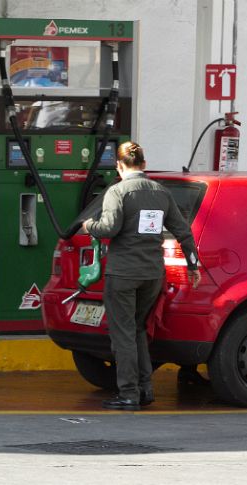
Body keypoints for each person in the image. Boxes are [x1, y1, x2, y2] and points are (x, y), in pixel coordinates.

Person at [83, 141, 201, 411]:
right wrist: (193, 265)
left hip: (123, 274)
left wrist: (89, 225)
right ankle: (145, 389)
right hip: (152, 275)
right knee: (137, 330)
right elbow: (183, 231)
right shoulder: (160, 192)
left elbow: (109, 228)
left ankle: (127, 393)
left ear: (119, 166)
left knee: (123, 334)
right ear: (144, 165)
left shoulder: (118, 191)